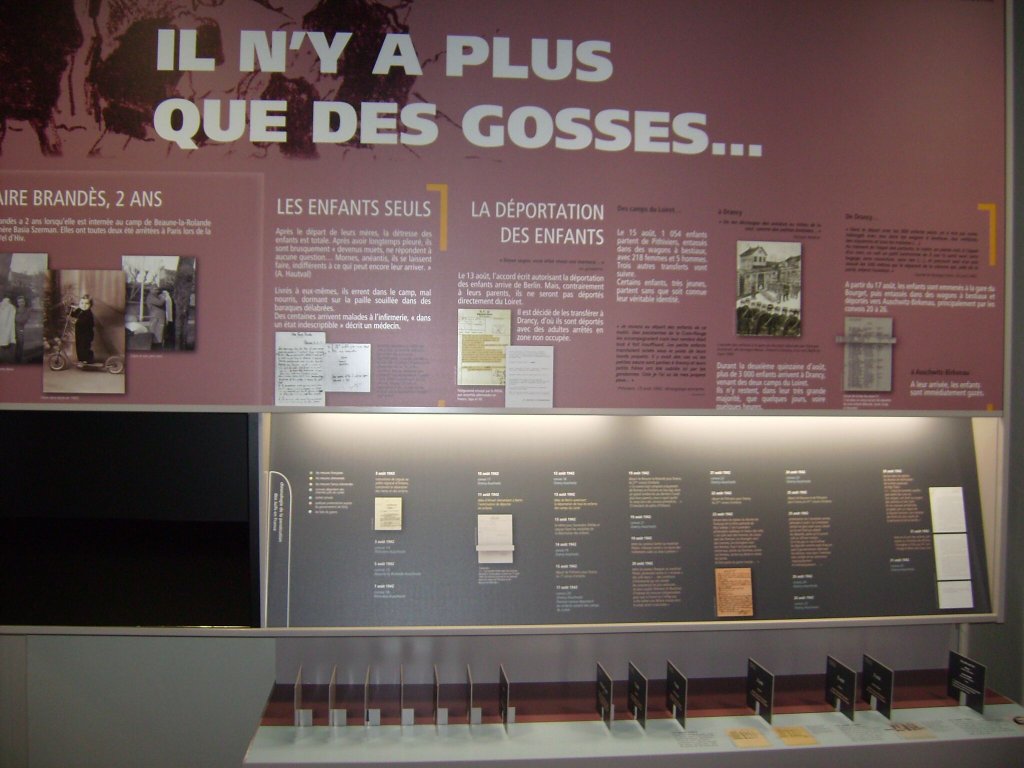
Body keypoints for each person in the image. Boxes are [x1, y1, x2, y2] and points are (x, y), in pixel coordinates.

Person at [70, 294, 95, 366]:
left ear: (90, 305)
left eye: (86, 303)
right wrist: (70, 310)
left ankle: (87, 360)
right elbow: (73, 314)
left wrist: (77, 321)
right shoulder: (79, 310)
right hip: (79, 333)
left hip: (87, 334)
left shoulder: (88, 314)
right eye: (82, 303)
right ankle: (81, 360)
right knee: (79, 346)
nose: (84, 305)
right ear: (79, 304)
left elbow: (86, 322)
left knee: (84, 347)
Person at [14, 295, 29, 362]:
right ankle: (16, 356)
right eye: (19, 302)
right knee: (16, 343)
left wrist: (16, 319)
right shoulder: (15, 310)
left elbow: (24, 319)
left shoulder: (26, 310)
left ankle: (19, 358)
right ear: (17, 303)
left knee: (21, 342)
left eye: (22, 302)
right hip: (14, 328)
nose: (21, 303)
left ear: (24, 302)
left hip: (21, 328)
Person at [0, 296, 15, 362]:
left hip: (6, 323)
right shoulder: (2, 306)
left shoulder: (11, 307)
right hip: (2, 323)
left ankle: (5, 344)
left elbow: (11, 316)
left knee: (6, 334)